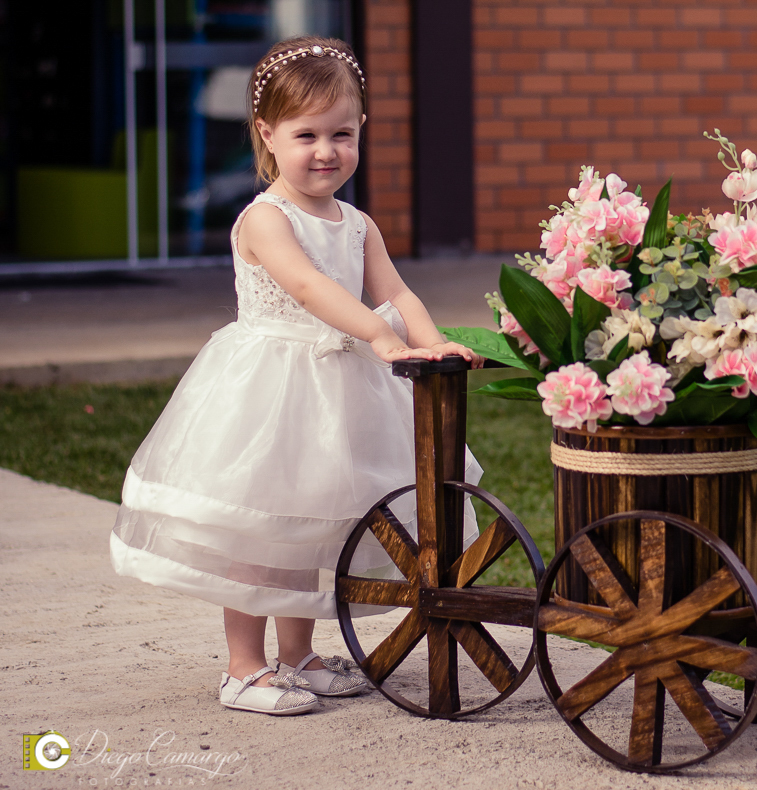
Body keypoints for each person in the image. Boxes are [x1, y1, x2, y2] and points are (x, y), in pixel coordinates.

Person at [109, 35, 483, 716]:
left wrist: (430, 339)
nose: (326, 150)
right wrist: (377, 334)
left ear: (361, 130)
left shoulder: (358, 223)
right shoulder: (265, 218)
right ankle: (243, 667)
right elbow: (309, 288)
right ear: (267, 134)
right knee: (263, 526)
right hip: (272, 389)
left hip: (338, 390)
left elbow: (396, 293)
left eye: (342, 133)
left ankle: (299, 656)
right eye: (306, 134)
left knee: (317, 524)